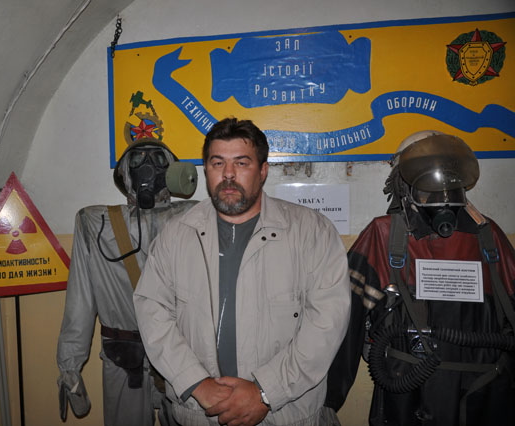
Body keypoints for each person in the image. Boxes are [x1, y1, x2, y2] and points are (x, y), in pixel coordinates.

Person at [133, 117, 351, 426]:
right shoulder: (176, 235)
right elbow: (152, 311)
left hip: (283, 415)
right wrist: (196, 382)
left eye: (241, 163)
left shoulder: (312, 232)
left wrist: (265, 392)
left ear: (263, 171)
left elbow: (326, 324)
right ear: (205, 170)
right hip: (199, 413)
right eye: (217, 163)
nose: (228, 174)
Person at [324, 131, 515, 426]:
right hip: (411, 393)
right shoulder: (387, 236)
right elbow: (345, 320)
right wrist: (328, 400)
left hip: (481, 395)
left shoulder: (487, 237)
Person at [56, 136, 197, 426]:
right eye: (137, 159)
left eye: (157, 159)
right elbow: (80, 300)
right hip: (124, 357)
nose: (147, 166)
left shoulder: (195, 219)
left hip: (181, 353)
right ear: (125, 173)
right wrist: (70, 366)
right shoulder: (96, 223)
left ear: (173, 171)